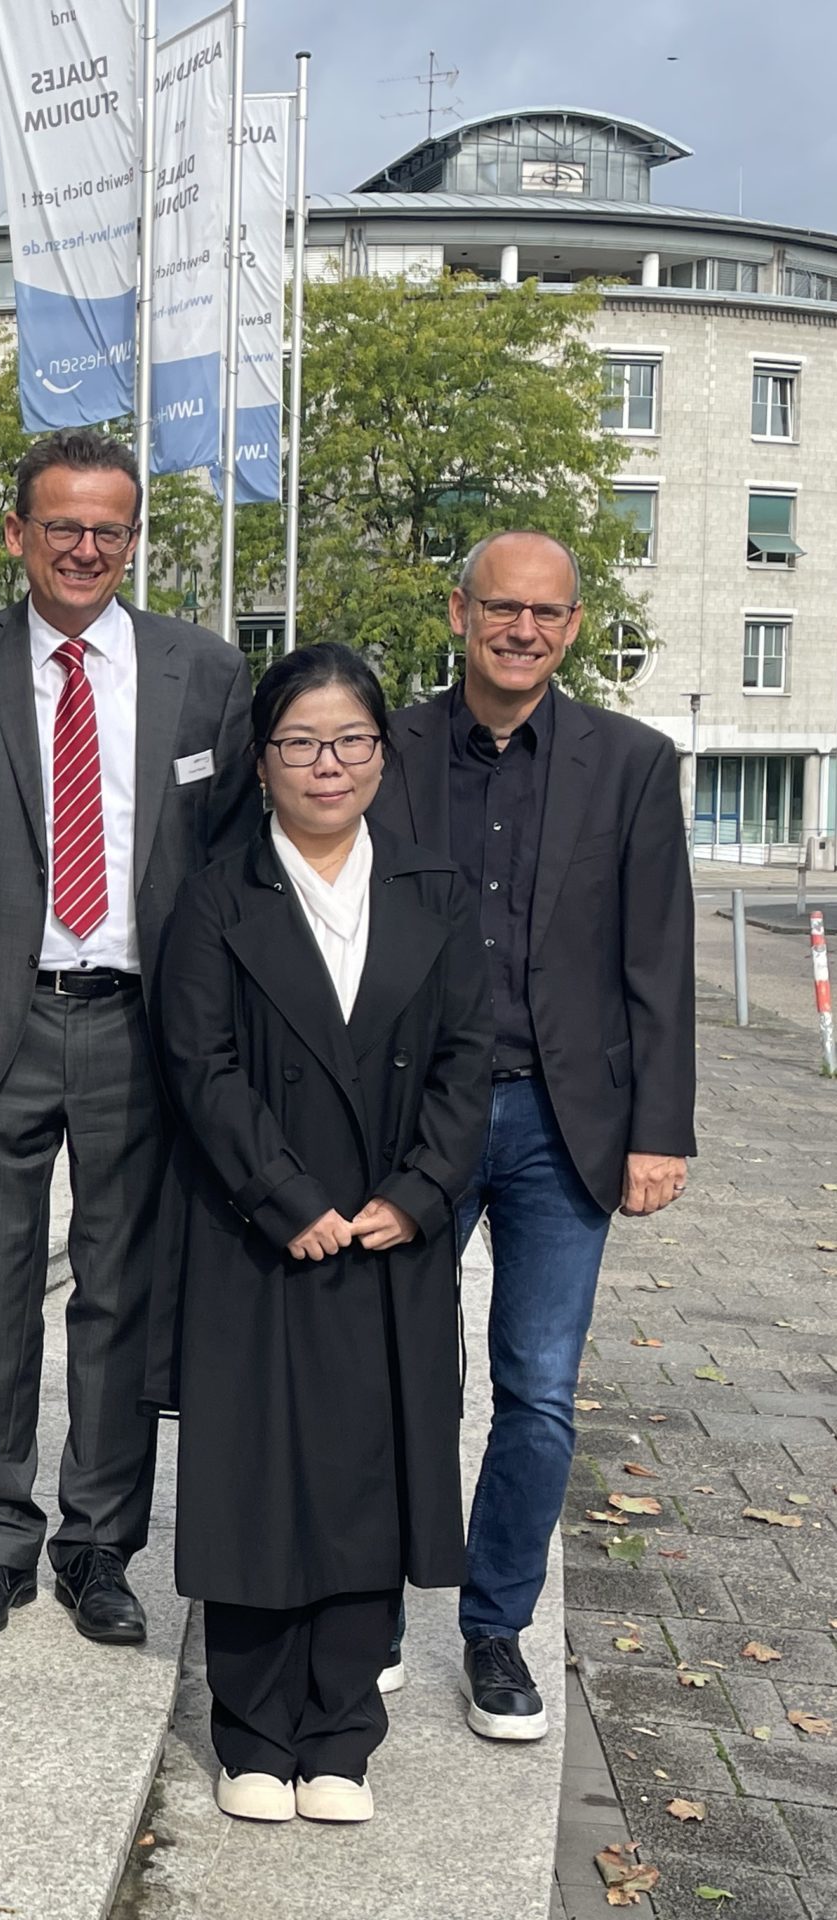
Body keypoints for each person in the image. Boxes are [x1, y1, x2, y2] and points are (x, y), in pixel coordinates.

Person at [0, 427, 261, 1647]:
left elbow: (227, 867)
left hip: (139, 1029)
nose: (82, 547)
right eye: (59, 525)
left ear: (130, 540)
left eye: (106, 529)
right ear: (16, 532)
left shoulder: (204, 674)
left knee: (120, 1295)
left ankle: (99, 1546)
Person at [152, 643, 491, 1826]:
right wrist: (284, 1196)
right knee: (255, 1476)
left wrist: (421, 1191)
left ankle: (342, 1734)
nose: (326, 763)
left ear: (382, 758)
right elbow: (200, 1062)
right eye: (299, 742)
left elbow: (464, 1060)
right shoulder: (215, 895)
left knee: (364, 1477)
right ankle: (249, 1728)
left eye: (349, 740)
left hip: (390, 1231)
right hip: (262, 1229)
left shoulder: (434, 891)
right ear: (259, 765)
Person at [368, 530, 696, 1739]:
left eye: (545, 613)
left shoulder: (630, 763)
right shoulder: (383, 745)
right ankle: (378, 1611)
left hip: (568, 1126)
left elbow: (655, 957)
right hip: (416, 1114)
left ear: (569, 625)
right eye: (499, 608)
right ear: (457, 614)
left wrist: (659, 1132)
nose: (521, 630)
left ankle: (495, 1627)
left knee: (538, 1391)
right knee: (397, 1373)